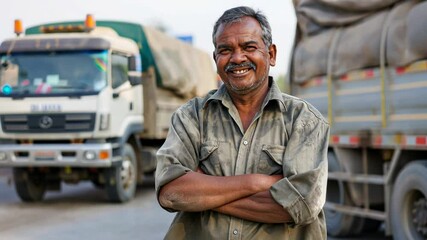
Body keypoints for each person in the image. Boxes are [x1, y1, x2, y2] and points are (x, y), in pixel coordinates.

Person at [155, 6, 330, 239]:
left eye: (249, 47)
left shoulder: (304, 121)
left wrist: (203, 194)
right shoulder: (192, 116)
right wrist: (256, 183)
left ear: (272, 54)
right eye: (225, 50)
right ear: (216, 58)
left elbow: (302, 204)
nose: (237, 58)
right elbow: (171, 192)